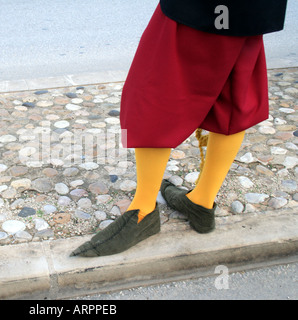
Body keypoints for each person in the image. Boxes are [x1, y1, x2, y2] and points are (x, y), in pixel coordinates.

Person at [71, 0, 288, 257]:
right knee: (233, 94)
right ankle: (201, 203)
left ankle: (143, 213)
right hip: (253, 10)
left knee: (155, 90)